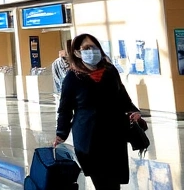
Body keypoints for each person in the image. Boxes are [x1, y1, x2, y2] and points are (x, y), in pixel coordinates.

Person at [54, 34, 142, 190]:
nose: (92, 51)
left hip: (114, 134)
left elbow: (122, 95)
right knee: (101, 181)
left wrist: (133, 110)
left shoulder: (110, 71)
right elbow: (65, 109)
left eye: (94, 47)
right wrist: (61, 133)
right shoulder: (72, 78)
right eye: (86, 48)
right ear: (76, 53)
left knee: (114, 181)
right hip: (89, 137)